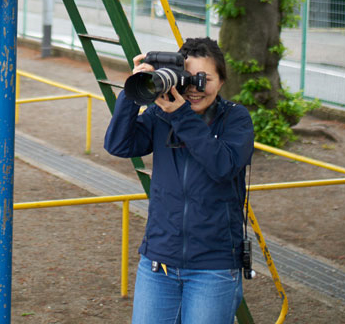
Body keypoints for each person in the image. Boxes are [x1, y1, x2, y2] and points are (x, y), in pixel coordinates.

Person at [104, 37, 254, 324]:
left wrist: (181, 115)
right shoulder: (162, 115)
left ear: (221, 81)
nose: (195, 89)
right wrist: (134, 90)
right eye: (189, 79)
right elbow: (118, 145)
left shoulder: (236, 119)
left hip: (214, 266)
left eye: (204, 79)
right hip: (158, 261)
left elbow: (223, 166)